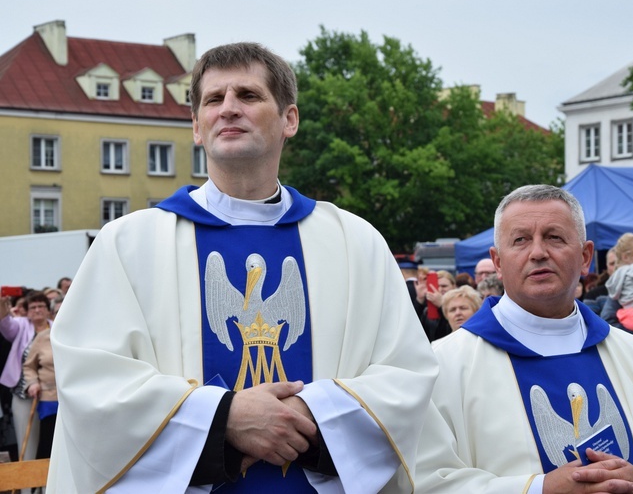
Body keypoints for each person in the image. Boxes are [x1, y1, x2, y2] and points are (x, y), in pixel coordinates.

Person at [48, 42, 438, 493]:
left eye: (248, 96)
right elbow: (92, 382)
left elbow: (406, 374)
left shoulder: (356, 242)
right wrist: (223, 419)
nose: (228, 109)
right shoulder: (128, 242)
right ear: (196, 126)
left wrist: (312, 416)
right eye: (214, 100)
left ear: (289, 119)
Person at [414, 184, 633, 492]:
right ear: (498, 262)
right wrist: (537, 489)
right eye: (521, 240)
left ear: (585, 256)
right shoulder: (442, 366)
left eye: (554, 238)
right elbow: (421, 480)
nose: (538, 252)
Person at [0, 292, 52, 463]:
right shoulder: (21, 325)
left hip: (52, 395)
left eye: (41, 306)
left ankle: (47, 488)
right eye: (33, 307)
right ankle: (26, 489)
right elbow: (6, 326)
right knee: (27, 441)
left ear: (47, 309)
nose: (37, 310)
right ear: (27, 311)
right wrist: (2, 307)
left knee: (50, 441)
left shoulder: (57, 328)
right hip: (23, 393)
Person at [22, 321, 57, 459]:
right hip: (50, 397)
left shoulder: (82, 335)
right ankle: (44, 478)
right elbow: (29, 366)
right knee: (48, 442)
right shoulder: (43, 337)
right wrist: (32, 383)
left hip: (77, 398)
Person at [420, 270, 456, 342]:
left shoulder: (460, 305)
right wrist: (419, 300)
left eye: (444, 286)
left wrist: (442, 305)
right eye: (437, 286)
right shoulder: (426, 310)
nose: (439, 289)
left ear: (453, 286)